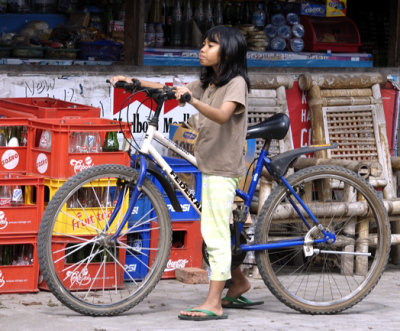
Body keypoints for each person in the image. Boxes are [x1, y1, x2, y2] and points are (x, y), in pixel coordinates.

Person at [110, 25, 263, 321]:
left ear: (228, 51)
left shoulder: (237, 84)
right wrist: (134, 82)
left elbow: (221, 115)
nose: (202, 49)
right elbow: (167, 89)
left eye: (210, 45)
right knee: (216, 228)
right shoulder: (209, 83)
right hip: (209, 163)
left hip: (222, 167)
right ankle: (239, 282)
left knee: (214, 232)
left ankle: (214, 303)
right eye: (203, 44)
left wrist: (191, 101)